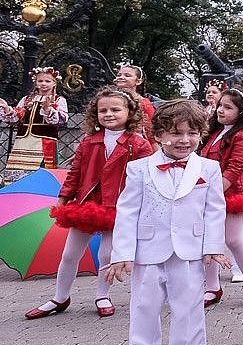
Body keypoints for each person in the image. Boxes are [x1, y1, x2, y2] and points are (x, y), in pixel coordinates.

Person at [103, 99, 230, 345]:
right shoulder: (139, 168)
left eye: (192, 133)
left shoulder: (208, 168)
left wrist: (213, 246)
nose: (184, 140)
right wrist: (123, 252)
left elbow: (214, 210)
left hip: (189, 249)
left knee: (188, 306)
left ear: (201, 134)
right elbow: (127, 211)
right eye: (176, 133)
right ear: (158, 135)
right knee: (144, 307)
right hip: (148, 248)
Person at [25, 87, 154, 320]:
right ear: (95, 114)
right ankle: (60, 297)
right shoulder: (88, 142)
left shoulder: (139, 144)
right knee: (69, 254)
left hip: (119, 206)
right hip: (87, 203)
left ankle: (102, 295)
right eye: (102, 110)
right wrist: (63, 198)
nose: (109, 114)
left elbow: (147, 179)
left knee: (106, 253)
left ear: (130, 111)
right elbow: (75, 173)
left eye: (116, 109)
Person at [200, 86, 243, 310]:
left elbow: (235, 168)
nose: (220, 110)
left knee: (235, 240)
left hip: (231, 193)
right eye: (220, 105)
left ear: (242, 112)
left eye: (228, 107)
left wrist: (213, 193)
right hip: (208, 193)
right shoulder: (214, 133)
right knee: (208, 241)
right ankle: (212, 287)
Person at [0, 67, 69, 168]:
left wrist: (48, 110)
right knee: (20, 168)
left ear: (54, 83)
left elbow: (62, 120)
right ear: (36, 83)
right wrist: (6, 108)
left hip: (44, 141)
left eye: (47, 81)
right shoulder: (27, 99)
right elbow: (17, 118)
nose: (43, 83)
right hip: (23, 141)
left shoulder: (58, 100)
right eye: (40, 81)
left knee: (40, 169)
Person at [114, 65, 156, 140]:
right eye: (119, 75)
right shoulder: (109, 99)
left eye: (127, 75)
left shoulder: (144, 103)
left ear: (138, 81)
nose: (121, 77)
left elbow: (150, 130)